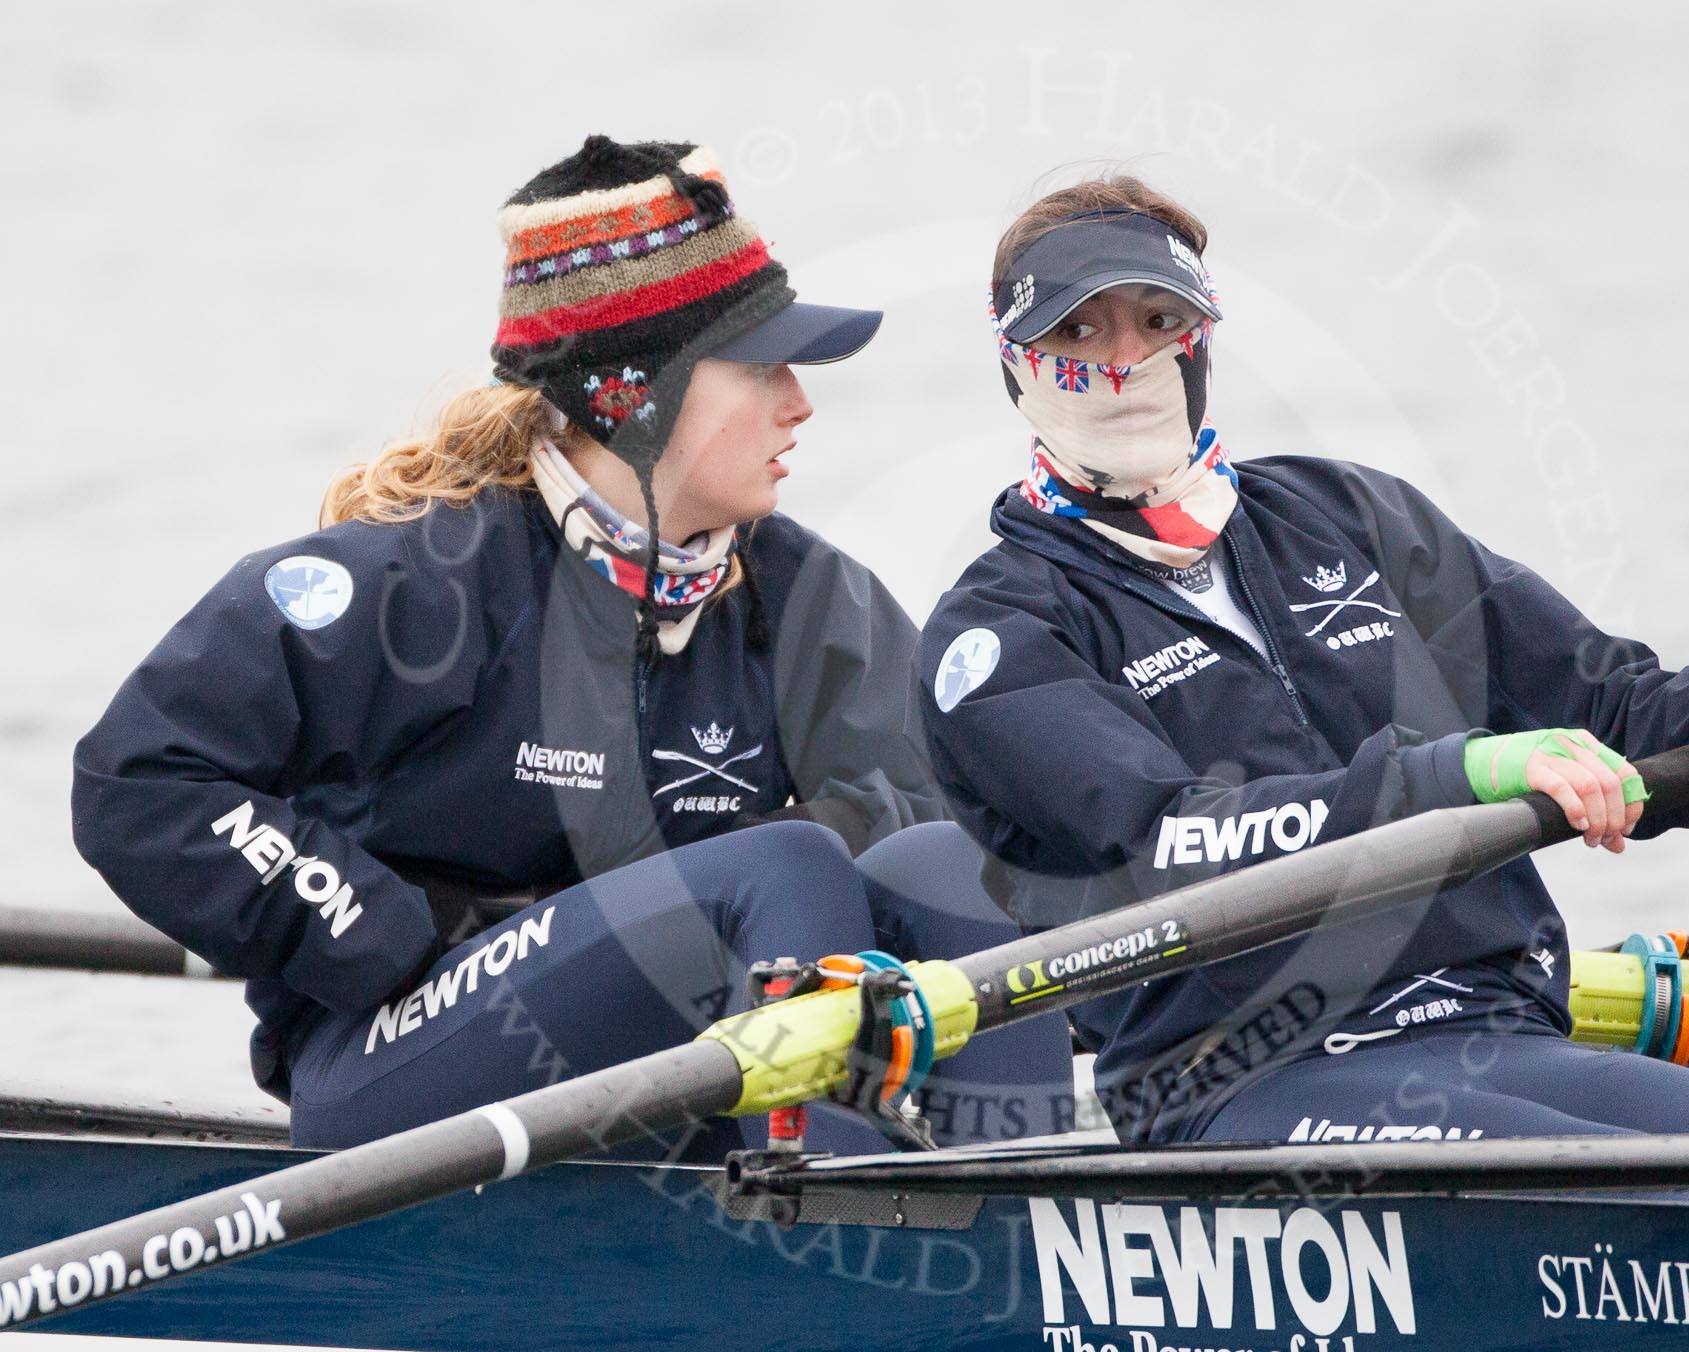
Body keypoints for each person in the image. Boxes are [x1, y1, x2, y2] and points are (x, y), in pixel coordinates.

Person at [917, 174, 1689, 1148]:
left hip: (1495, 1023)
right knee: (1670, 1195)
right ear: (1016, 365)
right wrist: (1457, 774)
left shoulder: (1355, 517)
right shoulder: (995, 636)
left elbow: (1626, 717)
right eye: (1078, 331)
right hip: (1241, 1075)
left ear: (1200, 342)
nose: (1123, 362)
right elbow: (1171, 835)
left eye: (1158, 323)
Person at [72, 135, 1068, 1158]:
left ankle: (1014, 1226)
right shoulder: (420, 586)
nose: (800, 401)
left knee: (944, 865)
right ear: (633, 395)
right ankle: (819, 1250)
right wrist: (383, 929)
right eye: (761, 366)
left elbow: (951, 825)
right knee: (782, 866)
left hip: (667, 1055)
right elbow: (140, 778)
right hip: (392, 1046)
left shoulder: (815, 607)